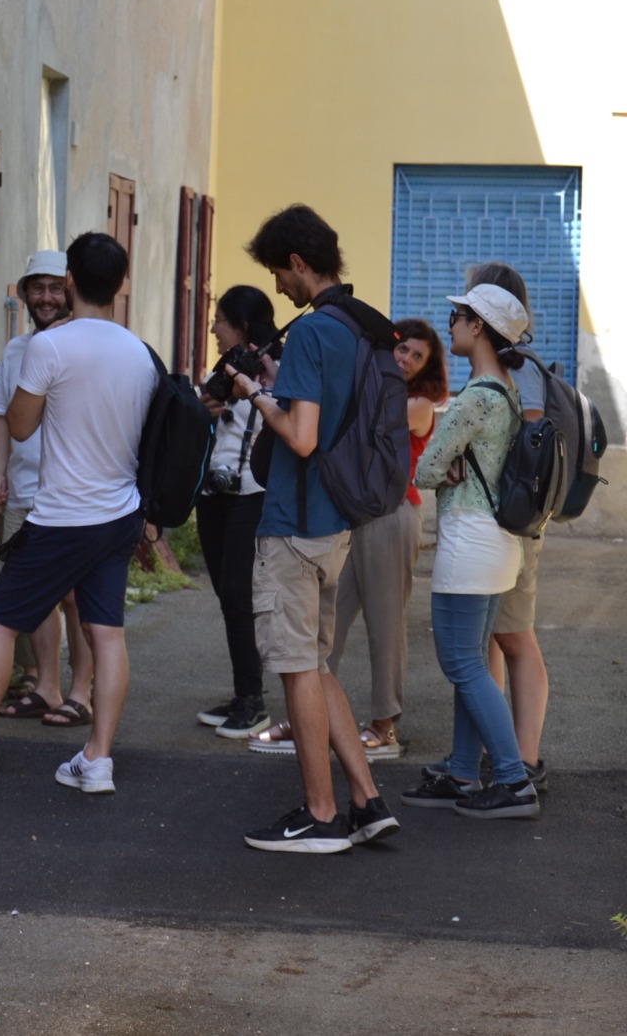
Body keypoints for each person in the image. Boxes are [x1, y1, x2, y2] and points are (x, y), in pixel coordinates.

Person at [0, 232, 155, 792]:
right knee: (106, 632)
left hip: (64, 513)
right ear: (119, 287)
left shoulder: (49, 347)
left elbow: (18, 426)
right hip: (119, 513)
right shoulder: (138, 352)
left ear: (69, 282)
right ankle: (96, 759)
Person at [229, 204, 398, 853]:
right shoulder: (362, 328)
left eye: (277, 272)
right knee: (319, 665)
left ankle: (321, 815)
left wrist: (255, 395)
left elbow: (300, 437)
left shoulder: (312, 334)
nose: (276, 287)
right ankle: (365, 798)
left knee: (297, 668)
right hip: (336, 524)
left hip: (294, 527)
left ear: (298, 264)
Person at [402, 283, 540, 820]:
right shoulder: (505, 391)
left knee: (462, 663)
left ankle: (512, 780)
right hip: (497, 544)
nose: (452, 324)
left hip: (469, 541)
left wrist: (445, 466)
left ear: (478, 326)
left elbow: (426, 467)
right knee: (472, 664)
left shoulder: (477, 397)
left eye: (458, 315)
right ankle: (463, 771)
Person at [325, 317, 449, 758]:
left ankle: (385, 724)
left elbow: (365, 415)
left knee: (386, 622)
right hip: (359, 515)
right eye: (402, 349)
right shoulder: (377, 382)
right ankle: (312, 712)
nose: (407, 360)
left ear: (427, 368)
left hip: (394, 516)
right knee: (329, 617)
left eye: (418, 357)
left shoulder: (418, 403)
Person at [0, 251, 91, 727]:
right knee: (38, 594)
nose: (45, 297)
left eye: (53, 288)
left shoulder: (90, 345)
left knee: (79, 597)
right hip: (25, 491)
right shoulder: (19, 350)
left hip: (80, 494)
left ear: (70, 288)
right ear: (23, 294)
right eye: (35, 288)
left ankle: (82, 693)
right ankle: (46, 685)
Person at [462, 262, 550, 790]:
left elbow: (528, 449)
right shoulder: (499, 364)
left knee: (515, 637)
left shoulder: (523, 370)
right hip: (498, 521)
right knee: (492, 641)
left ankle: (525, 761)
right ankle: (503, 754)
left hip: (517, 523)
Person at [194, 286, 279, 740]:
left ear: (242, 326)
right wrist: (203, 411)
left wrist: (262, 387)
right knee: (227, 596)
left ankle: (253, 700)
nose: (212, 327)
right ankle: (242, 692)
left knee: (238, 593)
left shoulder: (275, 370)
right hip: (214, 491)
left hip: (252, 493)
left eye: (219, 319)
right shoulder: (221, 370)